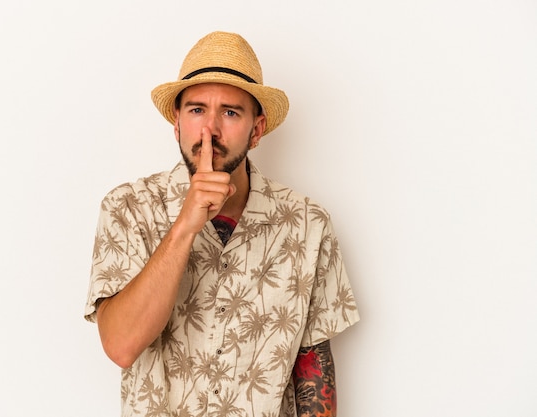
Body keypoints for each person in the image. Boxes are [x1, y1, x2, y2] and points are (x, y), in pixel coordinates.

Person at [84, 31, 359, 417]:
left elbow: (312, 368)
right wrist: (185, 225)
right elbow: (120, 344)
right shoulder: (128, 208)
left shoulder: (307, 224)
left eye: (230, 112)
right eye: (196, 110)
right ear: (176, 123)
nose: (209, 129)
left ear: (257, 129)